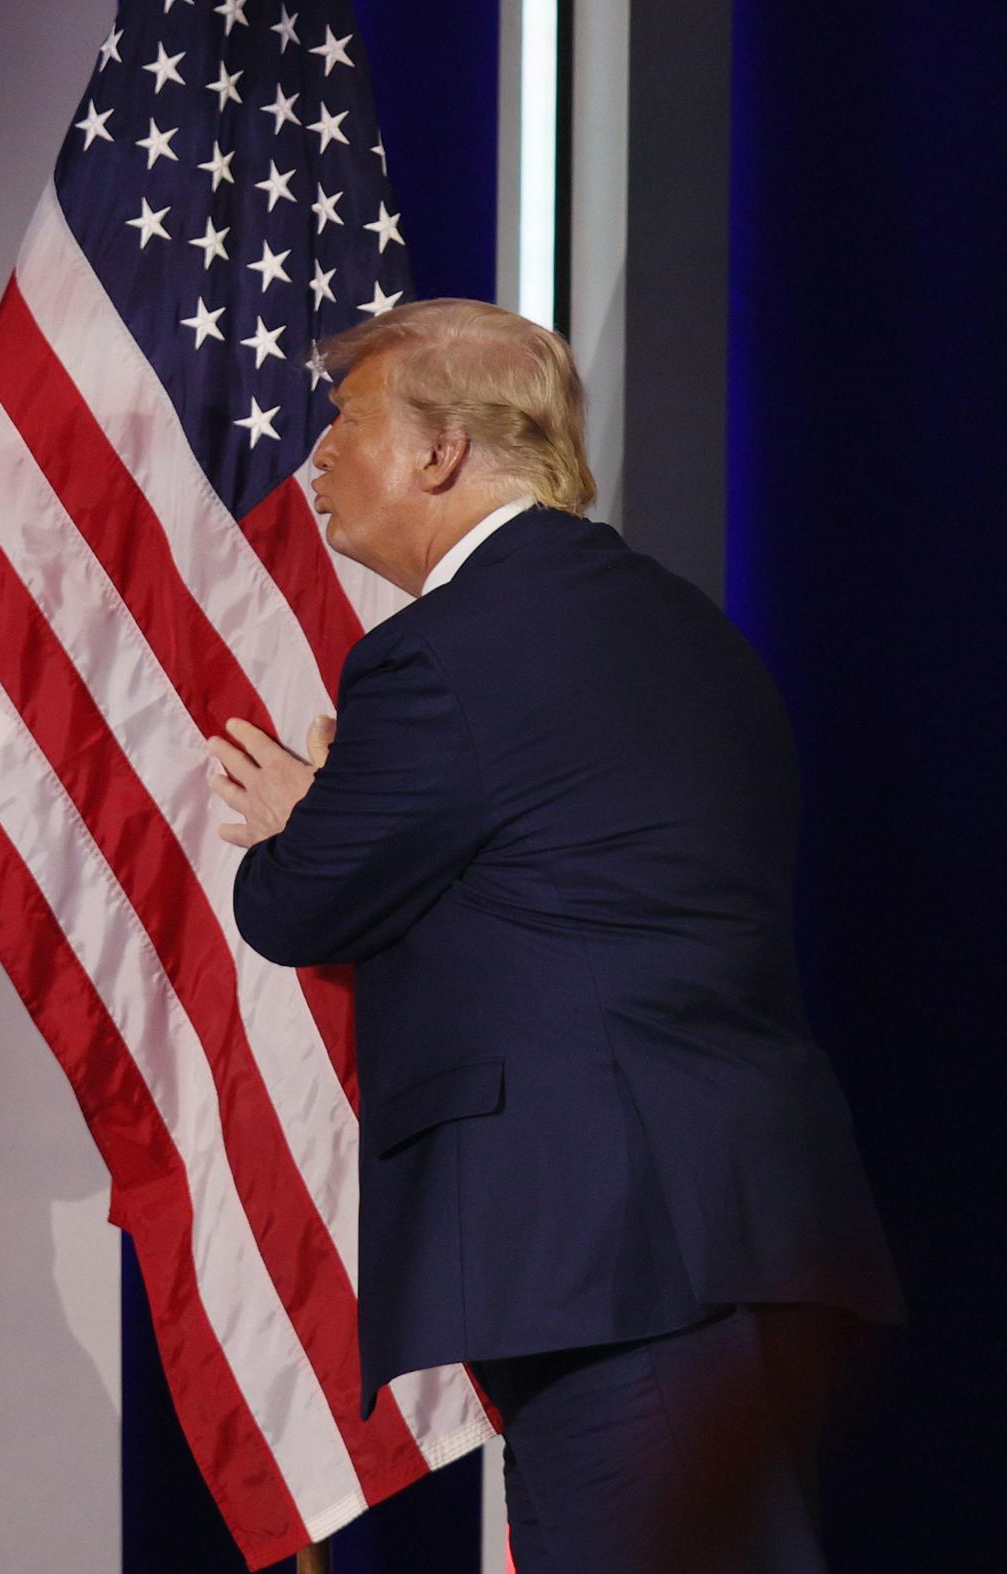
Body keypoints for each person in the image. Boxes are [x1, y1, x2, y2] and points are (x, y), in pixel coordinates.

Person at [206, 299, 905, 1572]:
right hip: (762, 1235)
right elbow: (562, 884)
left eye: (346, 420)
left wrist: (305, 816)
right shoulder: (699, 632)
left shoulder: (441, 657)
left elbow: (296, 901)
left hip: (614, 1265)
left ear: (438, 451)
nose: (314, 455)